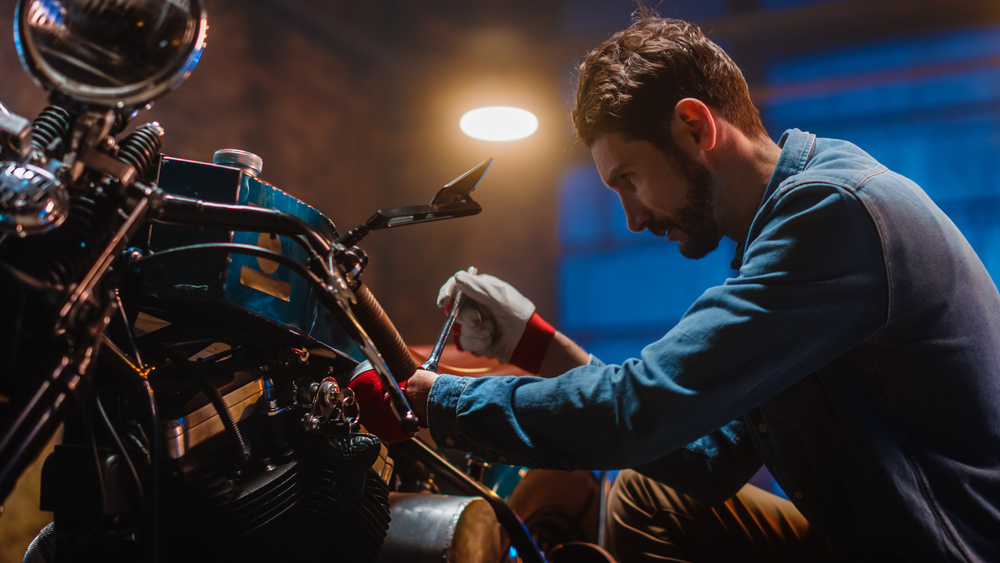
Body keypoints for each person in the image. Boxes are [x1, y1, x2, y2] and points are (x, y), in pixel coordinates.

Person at [355, 10, 1000, 562]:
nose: (632, 218)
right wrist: (534, 344)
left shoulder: (832, 218)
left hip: (945, 546)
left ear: (695, 126)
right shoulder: (786, 229)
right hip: (881, 532)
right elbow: (706, 457)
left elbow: (640, 409)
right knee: (647, 493)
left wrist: (439, 404)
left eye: (629, 180)